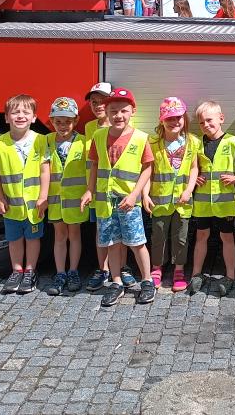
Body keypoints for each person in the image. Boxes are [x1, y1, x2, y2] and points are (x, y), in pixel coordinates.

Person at [79, 87, 157, 307]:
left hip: (128, 203)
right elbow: (95, 165)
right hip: (105, 202)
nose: (118, 115)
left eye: (123, 111)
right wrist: (89, 190)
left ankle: (147, 281)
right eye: (113, 111)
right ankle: (116, 283)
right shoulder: (98, 136)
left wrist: (135, 195)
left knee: (137, 243)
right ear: (107, 112)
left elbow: (147, 168)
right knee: (112, 243)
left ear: (133, 111)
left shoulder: (140, 138)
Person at [189, 100, 235, 296]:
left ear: (221, 119)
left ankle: (229, 276)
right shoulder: (197, 143)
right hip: (202, 203)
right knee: (201, 236)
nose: (206, 125)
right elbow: (192, 166)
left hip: (224, 203)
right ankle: (196, 274)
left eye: (209, 120)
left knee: (227, 237)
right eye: (202, 122)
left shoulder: (232, 141)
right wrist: (195, 177)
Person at [0, 94, 49, 295]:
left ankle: (30, 271)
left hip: (34, 206)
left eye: (25, 112)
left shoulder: (40, 140)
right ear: (6, 118)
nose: (20, 116)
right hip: (12, 205)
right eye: (15, 112)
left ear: (34, 117)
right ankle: (16, 271)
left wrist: (43, 197)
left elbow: (45, 170)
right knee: (14, 239)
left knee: (32, 238)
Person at [143, 97, 200, 294]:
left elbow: (194, 168)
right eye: (169, 118)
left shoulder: (192, 142)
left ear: (184, 119)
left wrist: (189, 190)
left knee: (181, 236)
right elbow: (148, 171)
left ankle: (179, 269)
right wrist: (145, 194)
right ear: (161, 120)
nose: (174, 122)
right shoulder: (153, 142)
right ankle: (157, 267)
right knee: (158, 235)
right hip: (159, 201)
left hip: (183, 201)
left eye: (178, 118)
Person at [40, 97, 89, 296]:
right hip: (55, 200)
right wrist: (43, 196)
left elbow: (89, 170)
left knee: (74, 235)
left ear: (75, 121)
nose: (62, 126)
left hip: (75, 200)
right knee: (59, 236)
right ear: (51, 121)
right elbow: (43, 169)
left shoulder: (83, 142)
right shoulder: (46, 141)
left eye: (67, 121)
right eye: (58, 121)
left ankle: (73, 271)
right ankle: (60, 273)